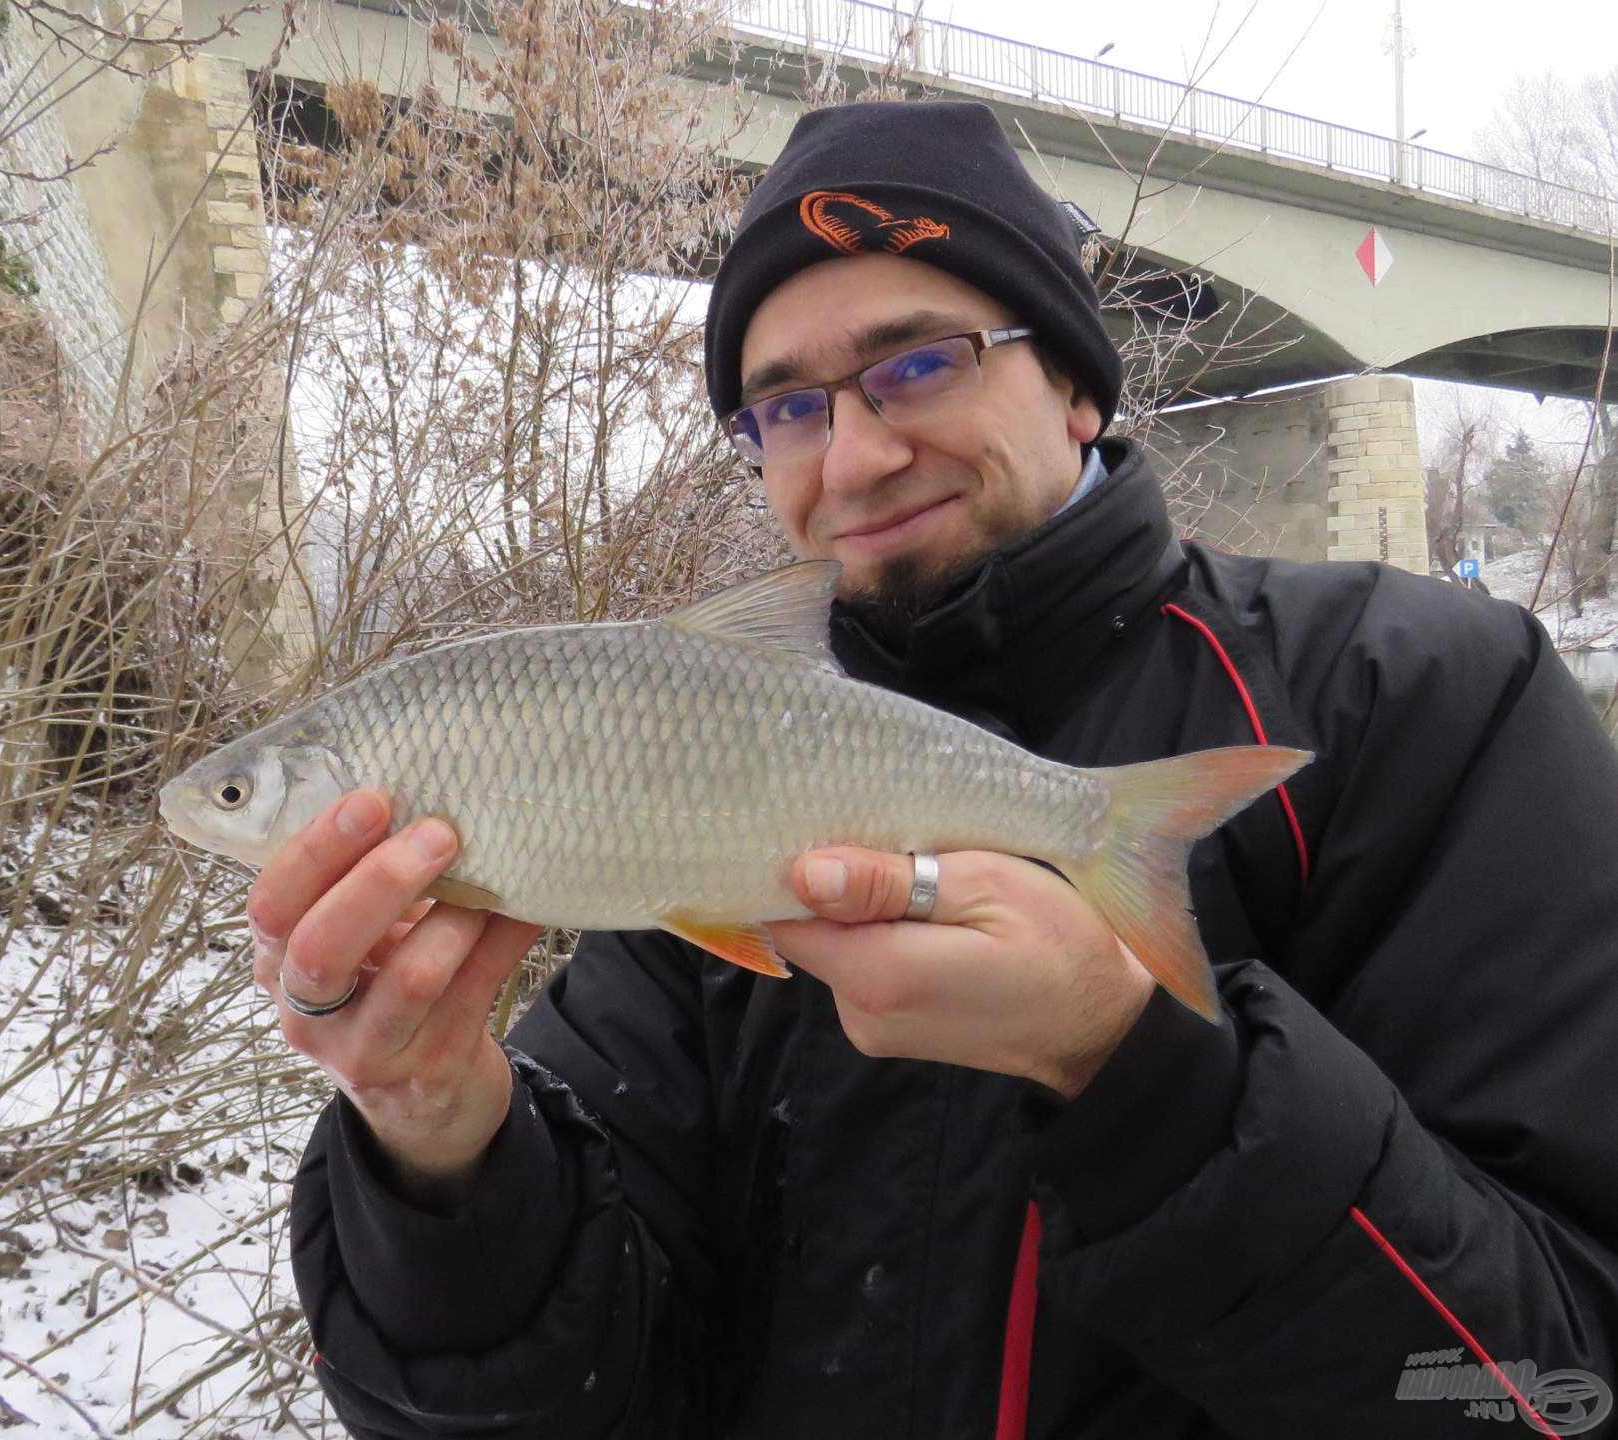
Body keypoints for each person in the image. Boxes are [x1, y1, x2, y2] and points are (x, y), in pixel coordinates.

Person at [254, 102, 1618, 1437]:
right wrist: (436, 1148)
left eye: (919, 365)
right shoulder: (680, 797)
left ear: (1077, 383)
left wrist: (1134, 1070)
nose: (855, 453)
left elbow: (1561, 1384)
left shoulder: (1425, 698)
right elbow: (583, 1396)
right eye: (785, 407)